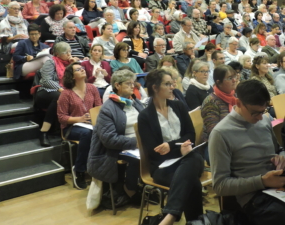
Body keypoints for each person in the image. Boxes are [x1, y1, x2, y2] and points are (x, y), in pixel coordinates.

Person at [209, 80, 285, 225]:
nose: (260, 117)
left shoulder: (263, 120)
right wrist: (262, 181)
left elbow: (279, 150)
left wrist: (281, 157)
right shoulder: (221, 133)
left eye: (263, 111)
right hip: (254, 197)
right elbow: (220, 186)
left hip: (277, 183)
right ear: (238, 103)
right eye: (255, 113)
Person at [138, 69, 204, 224]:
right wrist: (177, 148)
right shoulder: (145, 116)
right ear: (155, 87)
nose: (172, 87)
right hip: (163, 167)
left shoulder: (179, 106)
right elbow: (153, 152)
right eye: (167, 84)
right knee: (192, 181)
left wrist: (172, 146)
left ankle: (170, 216)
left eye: (172, 83)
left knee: (193, 159)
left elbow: (190, 134)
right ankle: (195, 222)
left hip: (187, 158)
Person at [88, 69, 144, 205]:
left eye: (133, 83)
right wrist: (136, 143)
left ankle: (149, 184)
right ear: (117, 86)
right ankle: (129, 188)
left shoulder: (134, 102)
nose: (133, 86)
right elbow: (109, 140)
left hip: (138, 143)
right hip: (115, 150)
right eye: (128, 83)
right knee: (139, 158)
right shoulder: (108, 109)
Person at [58, 62, 102, 189]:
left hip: (91, 124)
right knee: (87, 134)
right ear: (72, 76)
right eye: (78, 69)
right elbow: (61, 117)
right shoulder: (66, 94)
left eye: (82, 68)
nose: (82, 70)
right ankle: (79, 170)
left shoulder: (92, 88)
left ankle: (99, 166)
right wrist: (80, 119)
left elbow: (99, 108)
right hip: (71, 127)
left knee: (103, 131)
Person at [34, 42, 76, 147]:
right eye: (66, 52)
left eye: (70, 51)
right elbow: (46, 81)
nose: (69, 54)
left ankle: (71, 130)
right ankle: (44, 132)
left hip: (65, 91)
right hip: (45, 91)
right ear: (57, 54)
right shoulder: (51, 62)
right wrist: (60, 89)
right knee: (60, 97)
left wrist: (73, 65)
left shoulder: (70, 63)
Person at [201, 65, 237, 163]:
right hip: (215, 146)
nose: (234, 80)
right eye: (230, 78)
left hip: (236, 138)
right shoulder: (211, 102)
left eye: (234, 76)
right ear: (218, 82)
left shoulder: (235, 95)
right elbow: (214, 132)